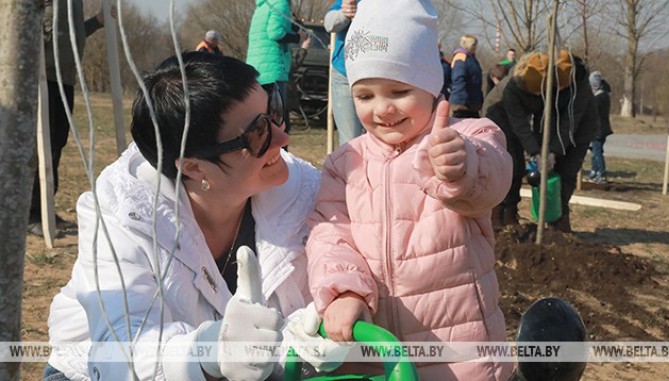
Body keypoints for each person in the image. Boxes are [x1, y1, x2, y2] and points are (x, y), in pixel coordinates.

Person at [44, 52, 332, 380]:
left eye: (274, 111)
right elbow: (119, 349)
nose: (283, 137)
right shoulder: (123, 211)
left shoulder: (304, 191)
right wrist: (210, 352)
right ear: (194, 166)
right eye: (257, 134)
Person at [305, 0, 514, 379]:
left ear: (429, 84)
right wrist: (345, 291)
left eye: (398, 90)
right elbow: (329, 234)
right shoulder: (344, 163)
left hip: (459, 358)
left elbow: (493, 179)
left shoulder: (466, 137)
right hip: (376, 356)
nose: (382, 109)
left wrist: (460, 164)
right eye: (365, 96)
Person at [483, 50, 599, 232]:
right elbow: (523, 123)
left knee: (566, 172)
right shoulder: (514, 88)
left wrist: (551, 151)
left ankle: (558, 220)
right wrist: (537, 152)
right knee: (511, 166)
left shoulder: (576, 86)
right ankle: (501, 214)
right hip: (499, 118)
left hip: (580, 128)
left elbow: (568, 122)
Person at [27, 0, 112, 237]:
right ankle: (31, 213)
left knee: (56, 143)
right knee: (39, 145)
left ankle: (45, 208)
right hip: (40, 75)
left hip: (65, 77)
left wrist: (97, 22)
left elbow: (72, 37)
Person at [246, 0, 308, 143]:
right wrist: (299, 38)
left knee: (262, 122)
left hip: (257, 71)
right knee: (279, 125)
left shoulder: (263, 6)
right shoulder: (281, 3)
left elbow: (276, 24)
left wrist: (292, 26)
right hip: (273, 70)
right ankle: (278, 161)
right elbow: (275, 33)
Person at [325, 0, 365, 145]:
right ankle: (351, 166)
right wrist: (344, 14)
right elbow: (329, 23)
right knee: (351, 141)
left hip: (379, 76)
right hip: (345, 74)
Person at [449, 34, 484, 118]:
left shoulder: (471, 58)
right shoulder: (461, 58)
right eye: (473, 45)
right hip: (463, 103)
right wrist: (461, 100)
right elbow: (459, 79)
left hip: (472, 100)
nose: (475, 47)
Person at [588, 71, 613, 184]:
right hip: (597, 128)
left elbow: (594, 113)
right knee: (594, 151)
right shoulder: (601, 95)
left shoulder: (600, 97)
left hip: (599, 129)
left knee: (597, 152)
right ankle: (594, 171)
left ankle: (601, 173)